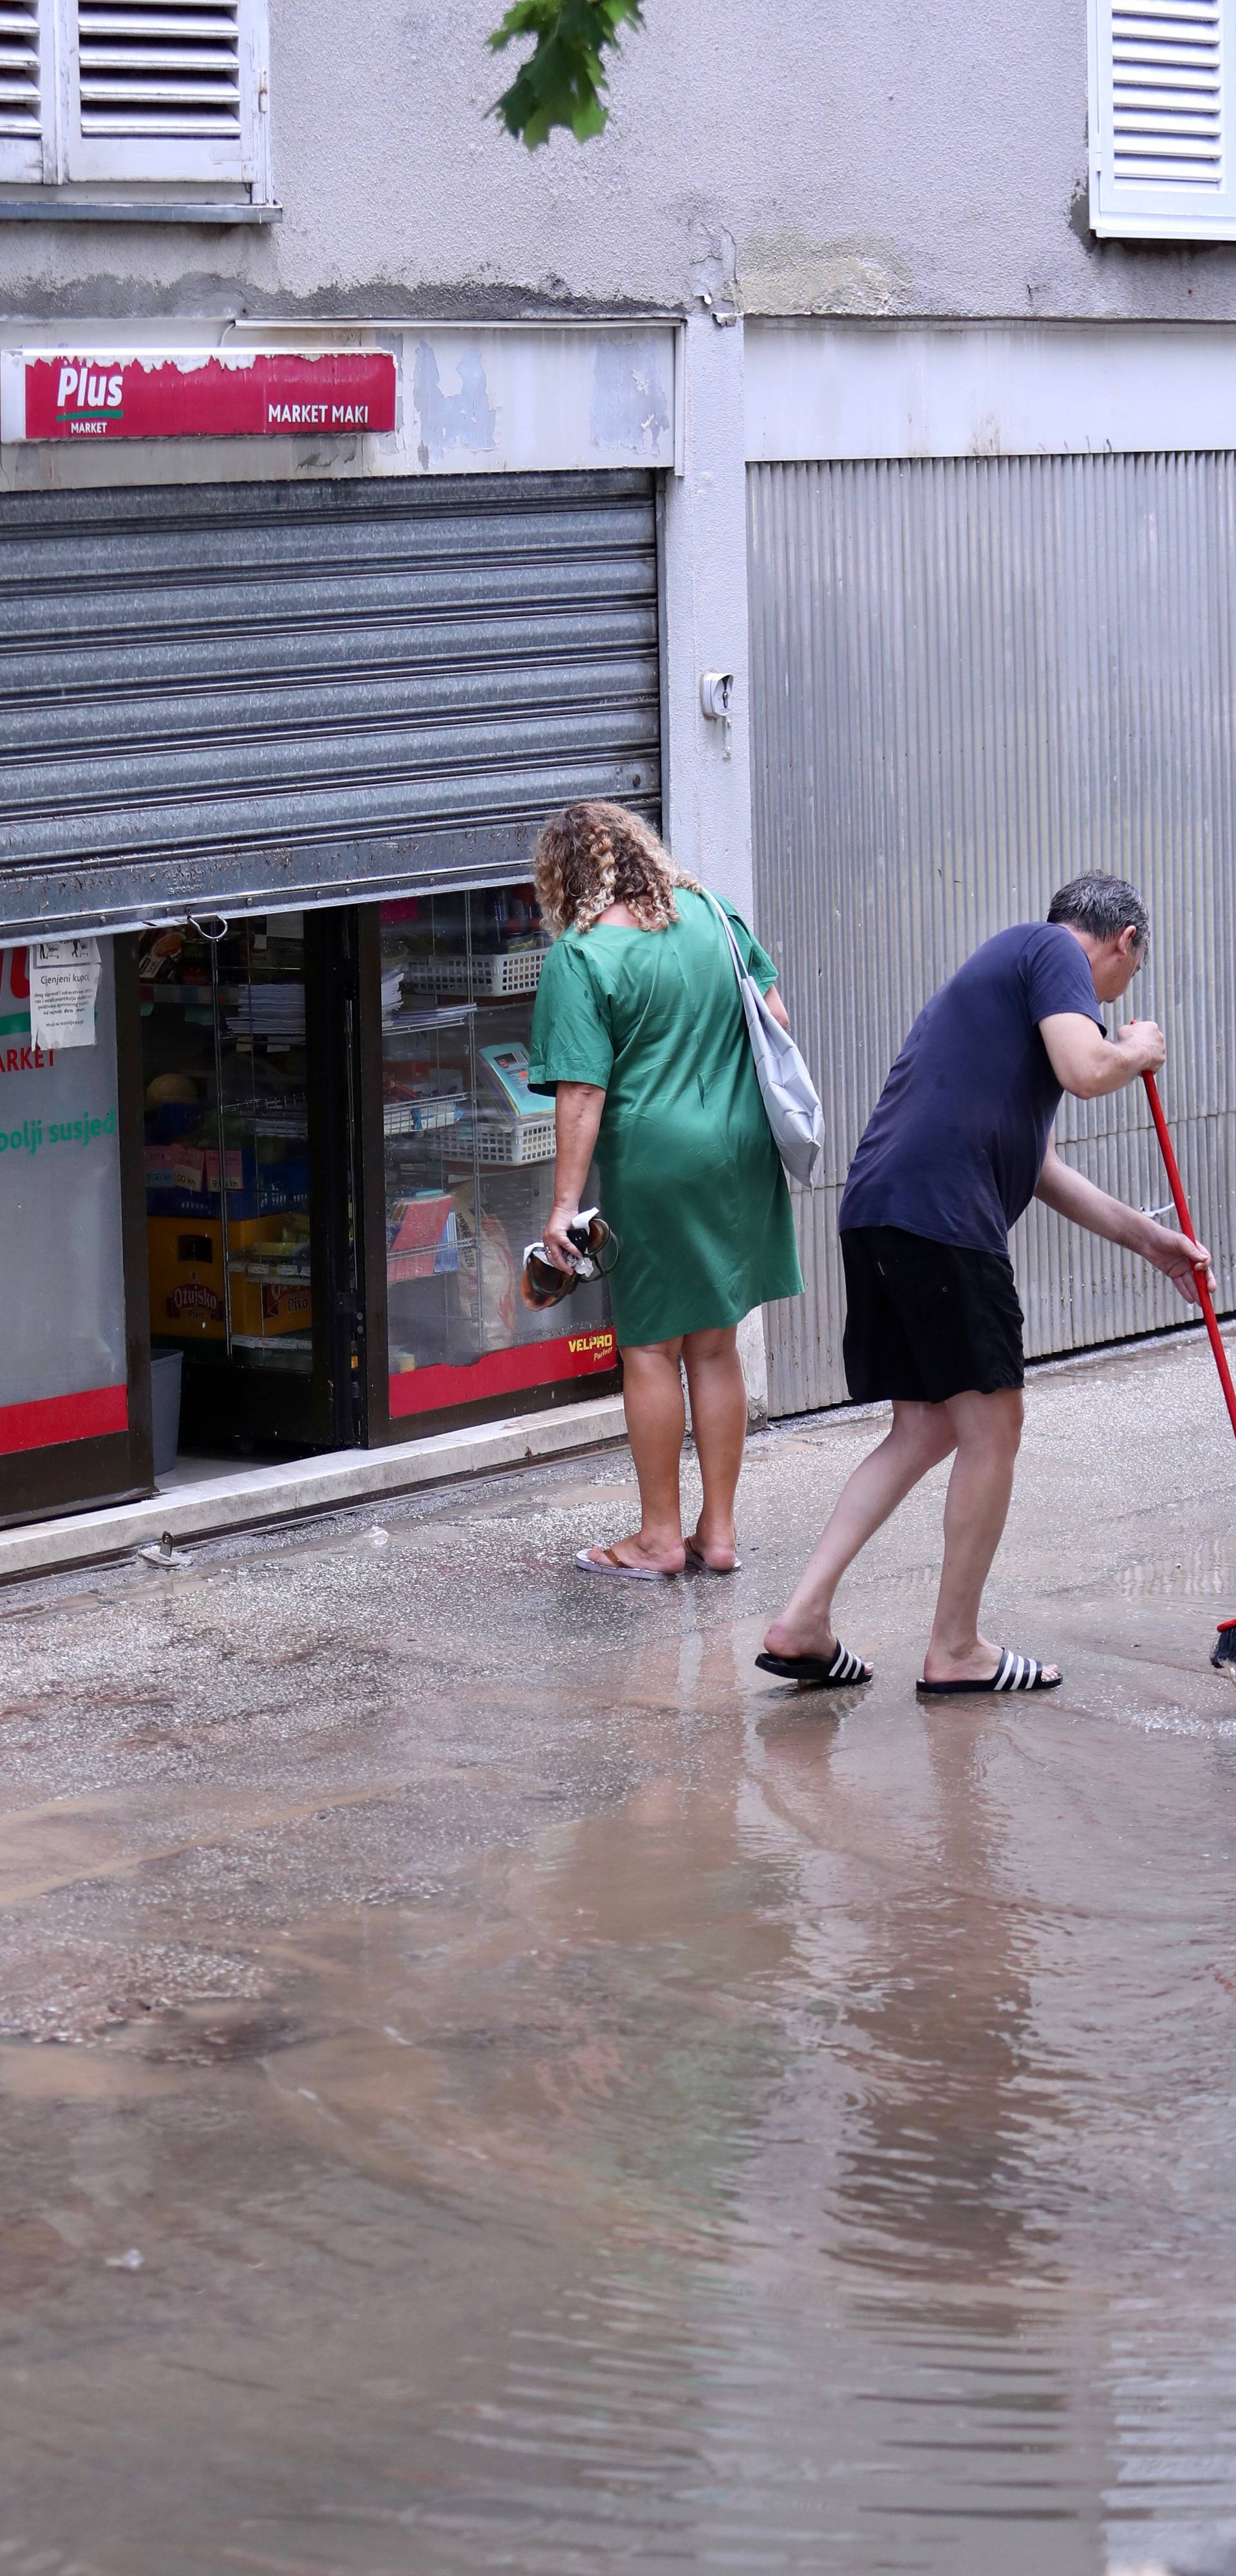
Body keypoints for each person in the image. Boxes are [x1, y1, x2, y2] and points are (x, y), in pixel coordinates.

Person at [760, 874, 1213, 1696]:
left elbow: (1036, 1167)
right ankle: (956, 1648)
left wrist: (1152, 1242)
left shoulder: (1004, 998)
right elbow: (1088, 1068)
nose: (1111, 999)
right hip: (941, 1216)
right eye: (1125, 979)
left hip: (882, 1210)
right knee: (994, 1422)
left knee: (927, 1428)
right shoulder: (1050, 951)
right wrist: (1135, 1051)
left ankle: (802, 1621)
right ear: (1126, 942)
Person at [527, 800, 803, 1579]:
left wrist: (563, 1207)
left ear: (563, 879)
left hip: (657, 1157)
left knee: (650, 1347)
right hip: (740, 1148)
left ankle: (656, 1537)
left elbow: (581, 1093)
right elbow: (775, 1017)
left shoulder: (583, 957)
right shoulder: (717, 917)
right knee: (714, 1341)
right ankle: (717, 1535)